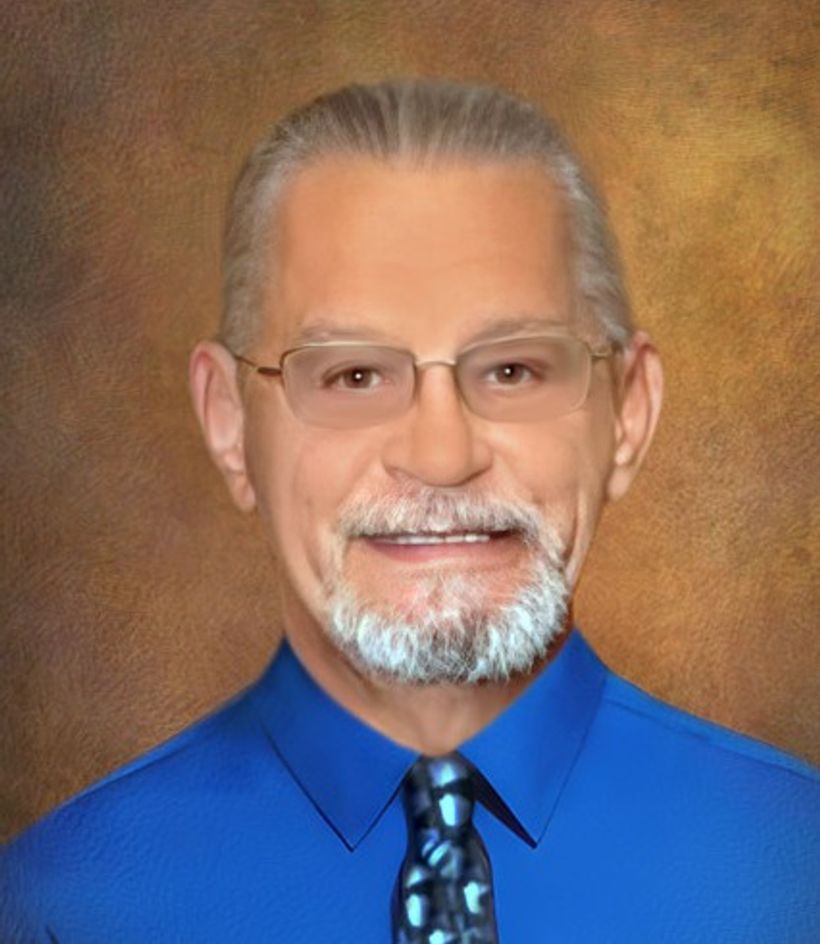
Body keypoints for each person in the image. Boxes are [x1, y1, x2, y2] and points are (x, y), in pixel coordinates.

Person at [1, 79, 817, 943]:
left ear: (629, 415)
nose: (440, 455)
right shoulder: (59, 911)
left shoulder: (797, 875)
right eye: (353, 376)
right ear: (231, 424)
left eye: (513, 370)